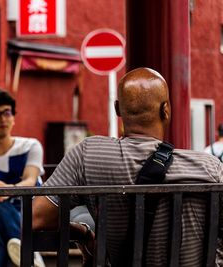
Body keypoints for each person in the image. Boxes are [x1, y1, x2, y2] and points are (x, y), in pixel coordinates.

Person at [32, 68, 223, 266]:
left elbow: (36, 218)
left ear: (117, 109)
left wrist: (84, 233)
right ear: (166, 109)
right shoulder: (209, 168)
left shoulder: (87, 154)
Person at [0, 88, 45, 267]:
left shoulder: (30, 146)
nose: (3, 119)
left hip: (28, 211)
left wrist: (5, 190)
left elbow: (30, 180)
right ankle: (27, 254)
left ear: (13, 116)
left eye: (7, 112)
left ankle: (19, 244)